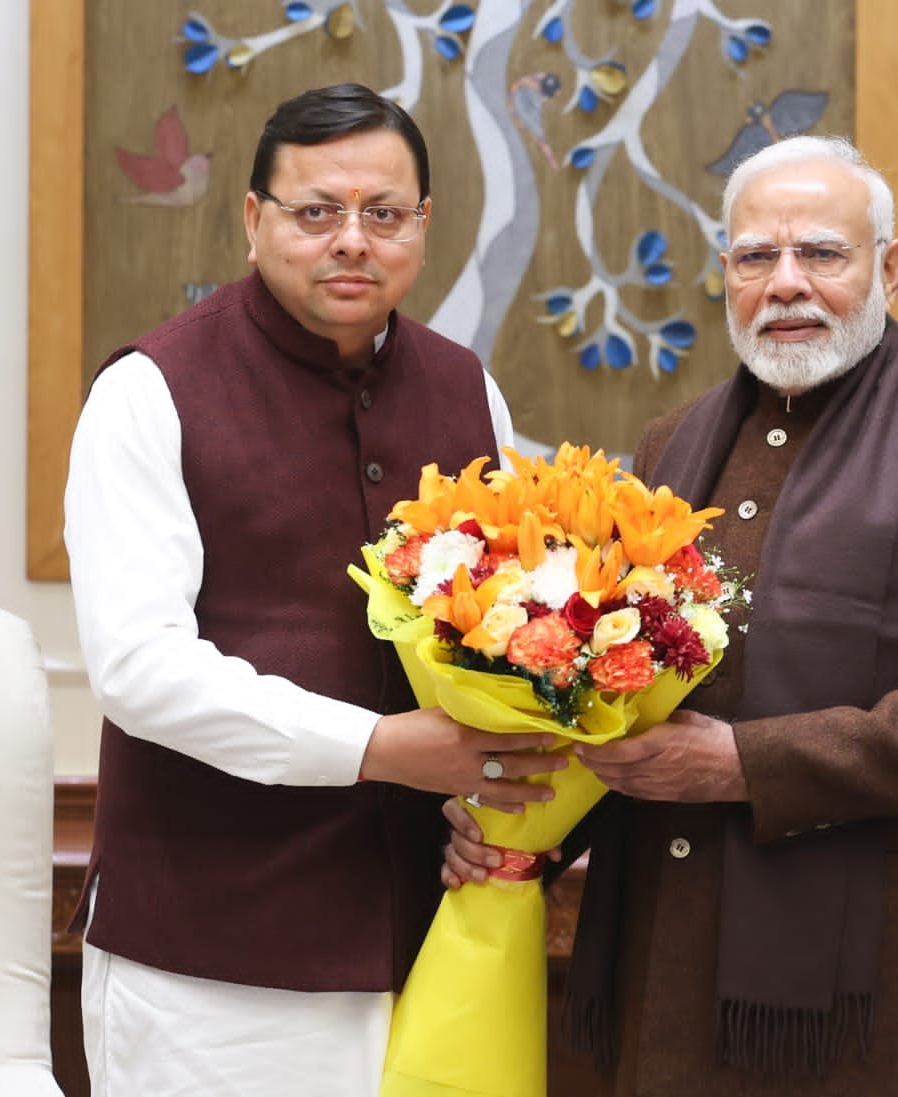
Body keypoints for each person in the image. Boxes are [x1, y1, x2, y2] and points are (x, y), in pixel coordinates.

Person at [443, 134, 898, 1095]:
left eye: (821, 252)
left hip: (882, 984)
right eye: (755, 257)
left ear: (889, 269)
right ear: (725, 274)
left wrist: (745, 763)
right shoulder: (673, 442)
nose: (785, 283)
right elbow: (614, 685)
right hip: (671, 947)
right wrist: (520, 822)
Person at [63, 83, 564, 1097]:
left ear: (422, 225)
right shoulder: (149, 391)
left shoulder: (469, 390)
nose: (352, 240)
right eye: (317, 210)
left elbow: (504, 639)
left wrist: (485, 802)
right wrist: (380, 747)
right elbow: (139, 668)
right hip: (208, 964)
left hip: (431, 938)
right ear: (254, 219)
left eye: (384, 213)